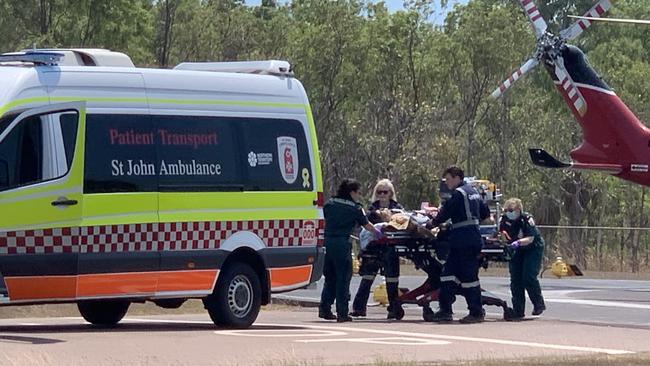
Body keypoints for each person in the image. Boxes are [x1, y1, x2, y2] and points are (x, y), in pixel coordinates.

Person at [427, 166, 490, 324]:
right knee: (448, 274)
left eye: (448, 179)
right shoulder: (474, 192)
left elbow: (444, 214)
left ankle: (476, 312)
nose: (447, 183)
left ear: (457, 177)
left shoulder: (458, 194)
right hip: (469, 238)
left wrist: (430, 224)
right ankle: (445, 310)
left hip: (464, 239)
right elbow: (485, 213)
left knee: (469, 277)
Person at [319, 178, 382, 322]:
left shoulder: (330, 204)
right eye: (358, 193)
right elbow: (367, 226)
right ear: (351, 192)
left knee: (330, 278)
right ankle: (342, 313)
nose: (359, 196)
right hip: (341, 244)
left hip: (326, 243)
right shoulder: (355, 208)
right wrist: (379, 233)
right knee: (343, 278)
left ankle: (325, 308)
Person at [350, 209, 404, 320]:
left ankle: (360, 308)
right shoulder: (381, 224)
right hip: (380, 252)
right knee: (386, 281)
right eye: (381, 211)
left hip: (374, 253)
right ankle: (392, 308)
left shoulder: (364, 230)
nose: (384, 210)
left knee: (372, 281)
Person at [499, 198, 546, 319]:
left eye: (510, 210)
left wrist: (518, 242)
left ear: (518, 210)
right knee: (516, 279)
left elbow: (530, 238)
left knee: (528, 276)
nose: (508, 213)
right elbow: (502, 234)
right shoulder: (504, 220)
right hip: (517, 249)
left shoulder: (526, 219)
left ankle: (538, 304)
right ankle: (518, 310)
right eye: (506, 210)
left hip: (532, 248)